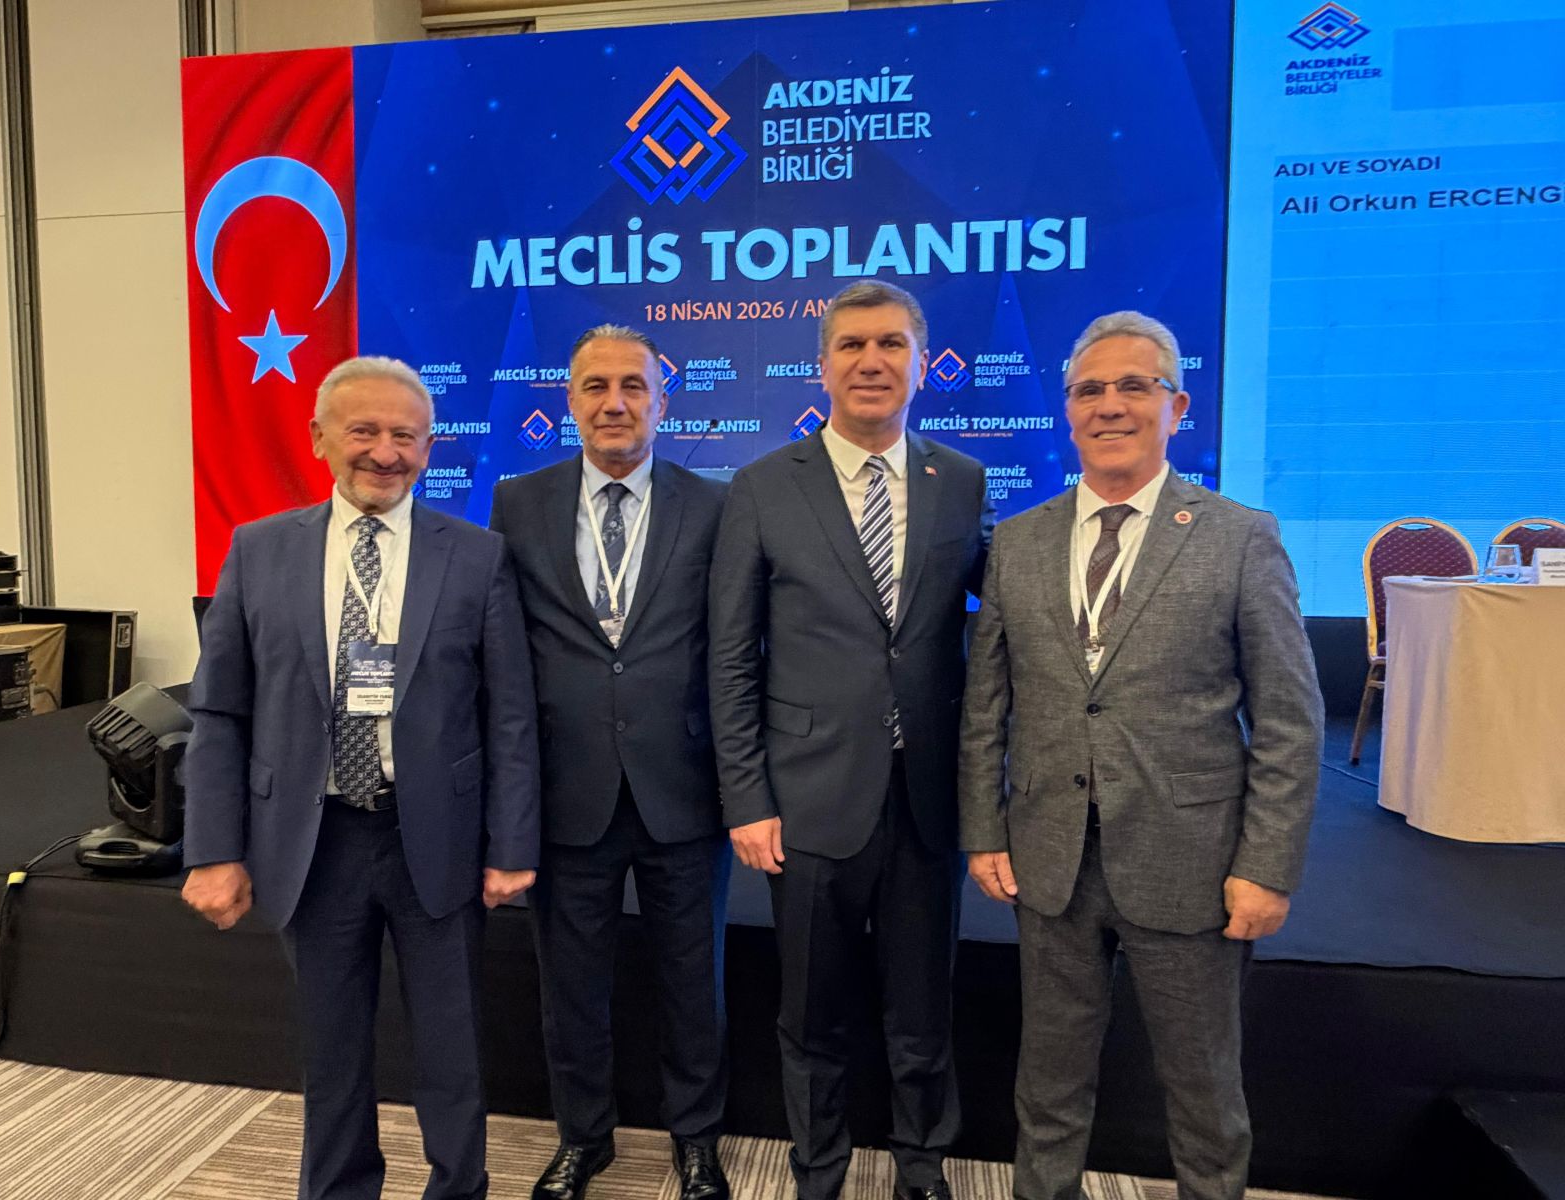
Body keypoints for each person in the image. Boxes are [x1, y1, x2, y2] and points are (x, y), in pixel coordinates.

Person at [958, 311, 1324, 1200]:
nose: (1110, 405)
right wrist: (984, 829)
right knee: (1048, 1080)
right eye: (1089, 390)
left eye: (1134, 386)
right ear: (1067, 410)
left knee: (1202, 1089)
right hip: (1049, 858)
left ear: (1177, 406)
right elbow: (986, 703)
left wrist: (1267, 866)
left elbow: (1289, 718)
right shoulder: (1019, 541)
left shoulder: (1239, 537)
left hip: (1190, 861)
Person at [182, 355, 541, 1200]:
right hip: (313, 842)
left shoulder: (478, 556)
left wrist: (512, 845)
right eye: (365, 431)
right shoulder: (258, 550)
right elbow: (220, 712)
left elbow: (511, 717)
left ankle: (458, 1186)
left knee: (451, 1046)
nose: (385, 452)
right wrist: (212, 849)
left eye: (405, 436)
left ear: (429, 447)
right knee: (332, 1047)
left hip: (437, 838)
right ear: (319, 438)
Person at [709, 280, 993, 1200]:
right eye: (853, 345)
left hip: (927, 799)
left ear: (922, 364)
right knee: (812, 1012)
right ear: (823, 366)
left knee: (923, 1008)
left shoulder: (962, 481)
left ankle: (922, 1166)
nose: (872, 361)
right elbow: (731, 658)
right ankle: (817, 1170)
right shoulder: (761, 486)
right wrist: (747, 798)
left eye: (892, 344)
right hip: (807, 798)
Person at [489, 325, 731, 1200]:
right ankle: (583, 1138)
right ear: (570, 401)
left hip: (684, 788)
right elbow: (506, 656)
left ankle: (696, 1140)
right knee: (572, 987)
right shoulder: (518, 503)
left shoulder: (716, 505)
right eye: (595, 386)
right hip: (567, 791)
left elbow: (734, 650)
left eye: (634, 386)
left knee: (692, 983)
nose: (615, 402)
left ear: (663, 401)